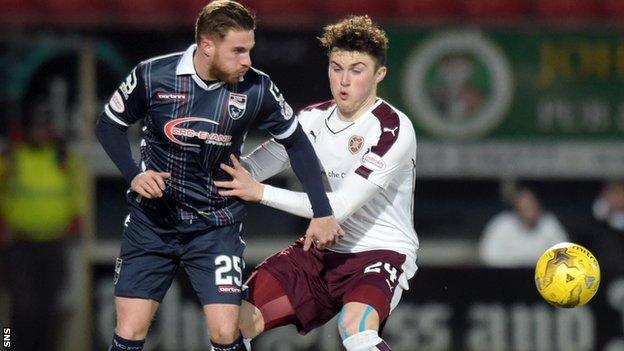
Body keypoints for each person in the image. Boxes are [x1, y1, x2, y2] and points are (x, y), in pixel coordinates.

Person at [94, 1, 342, 350]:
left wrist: (322, 210)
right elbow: (108, 125)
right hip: (153, 222)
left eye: (250, 50)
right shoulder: (152, 75)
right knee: (130, 330)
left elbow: (298, 143)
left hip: (215, 226)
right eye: (238, 51)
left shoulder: (257, 88)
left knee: (226, 332)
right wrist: (134, 174)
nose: (247, 61)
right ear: (207, 46)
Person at [215, 15, 418, 351]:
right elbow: (250, 168)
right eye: (336, 68)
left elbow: (336, 208)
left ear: (379, 74)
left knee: (355, 328)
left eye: (357, 70)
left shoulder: (392, 128)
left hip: (379, 252)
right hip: (320, 251)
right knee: (230, 324)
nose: (343, 81)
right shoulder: (310, 119)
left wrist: (259, 192)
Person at [0, 98, 86, 351]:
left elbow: (78, 193)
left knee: (50, 307)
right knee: (20, 306)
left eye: (45, 126)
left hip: (54, 243)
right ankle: (7, 345)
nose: (41, 131)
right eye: (36, 126)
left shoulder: (64, 158)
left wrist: (77, 221)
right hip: (19, 243)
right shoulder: (12, 158)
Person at [479, 188, 569, 267]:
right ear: (517, 209)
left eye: (532, 206)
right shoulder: (502, 225)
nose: (530, 212)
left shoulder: (549, 224)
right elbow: (488, 255)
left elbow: (563, 255)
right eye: (525, 208)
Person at [578, 180, 624, 273]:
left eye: (621, 195)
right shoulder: (592, 220)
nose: (618, 199)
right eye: (615, 194)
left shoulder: (619, 221)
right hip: (598, 269)